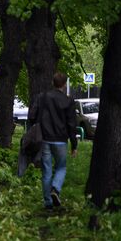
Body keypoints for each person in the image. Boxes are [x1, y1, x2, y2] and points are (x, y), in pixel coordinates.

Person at [29, 72, 78, 209]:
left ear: (53, 82)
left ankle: (48, 203)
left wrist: (36, 125)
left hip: (44, 139)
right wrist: (74, 145)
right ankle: (55, 189)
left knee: (46, 171)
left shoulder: (42, 97)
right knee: (61, 167)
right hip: (61, 140)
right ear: (64, 84)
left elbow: (32, 116)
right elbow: (71, 124)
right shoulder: (68, 101)